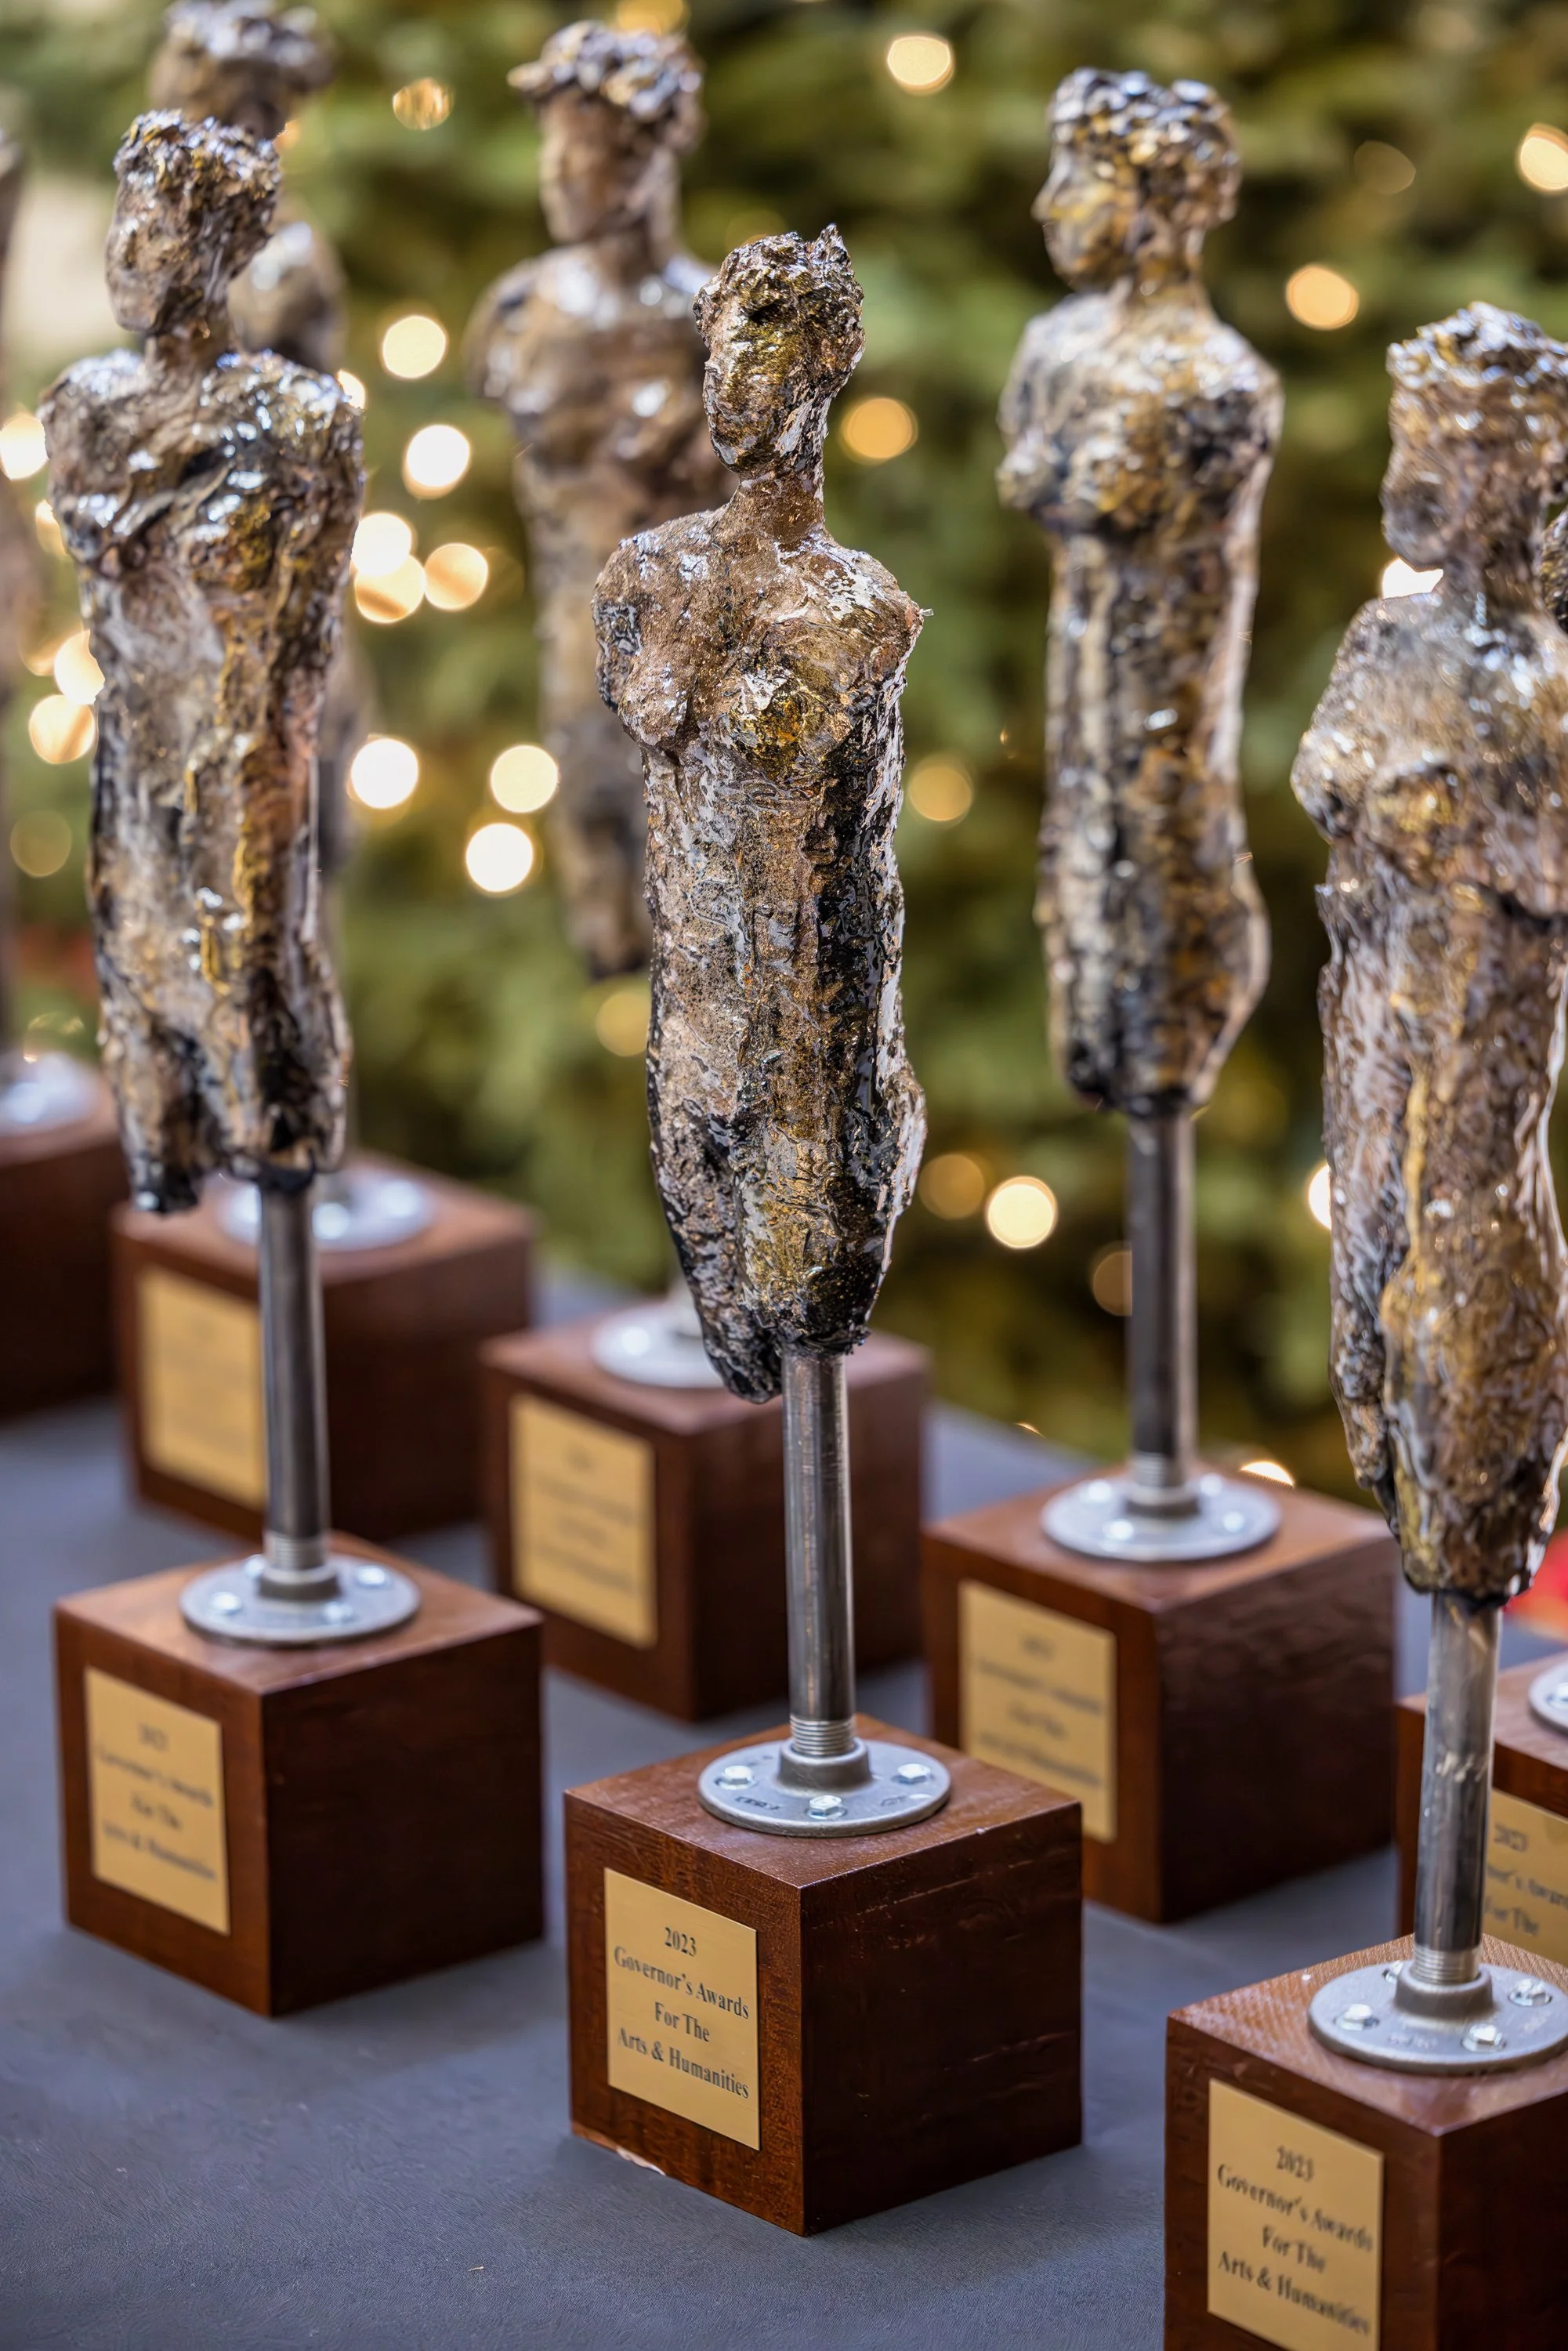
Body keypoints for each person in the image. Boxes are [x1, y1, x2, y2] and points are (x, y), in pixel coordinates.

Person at [593, 228, 924, 1401]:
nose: (739, 377)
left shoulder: (862, 608)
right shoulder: (647, 576)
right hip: (692, 1037)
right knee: (731, 1334)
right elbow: (649, 704)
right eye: (726, 346)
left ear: (830, 364)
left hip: (812, 1057)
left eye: (774, 345)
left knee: (809, 1304)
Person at [1293, 305, 1568, 1598]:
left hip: (1476, 1032)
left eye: (1451, 448)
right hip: (1370, 1001)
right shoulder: (1387, 639)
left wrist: (1438, 824)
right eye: (1416, 439)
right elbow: (1334, 775)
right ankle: (1408, 1478)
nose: (1417, 474)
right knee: (1366, 1265)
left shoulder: (1539, 683)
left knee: (1462, 1247)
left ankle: (1479, 1505)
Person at [42, 111, 357, 1212]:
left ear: (225, 249)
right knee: (140, 983)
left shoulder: (300, 418)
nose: (133, 252)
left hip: (246, 777)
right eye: (127, 224)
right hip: (136, 774)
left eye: (164, 229)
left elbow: (310, 628)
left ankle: (278, 1136)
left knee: (251, 1007)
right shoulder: (87, 410)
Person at [998, 67, 1277, 1119]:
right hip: (1084, 692)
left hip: (1168, 706)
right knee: (1083, 852)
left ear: (1156, 208)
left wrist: (1067, 481)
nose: (1047, 202)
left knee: (1161, 845)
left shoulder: (1213, 378)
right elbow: (1038, 477)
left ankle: (1171, 1029)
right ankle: (1114, 1030)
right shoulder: (1060, 345)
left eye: (1078, 177)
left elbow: (1078, 487)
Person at [468, 21, 731, 977]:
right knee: (595, 851)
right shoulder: (517, 312)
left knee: (696, 911)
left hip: (693, 661)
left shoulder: (715, 322)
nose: (560, 175)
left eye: (592, 152)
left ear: (653, 158)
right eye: (554, 149)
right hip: (570, 645)